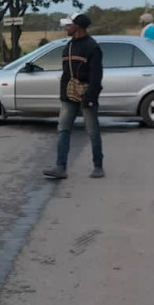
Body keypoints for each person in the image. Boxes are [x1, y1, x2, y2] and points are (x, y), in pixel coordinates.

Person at [44, 13, 104, 180]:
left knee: (92, 131)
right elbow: (66, 74)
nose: (66, 27)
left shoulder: (92, 47)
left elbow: (96, 75)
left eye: (69, 25)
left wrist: (90, 97)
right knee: (63, 130)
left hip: (87, 97)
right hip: (68, 96)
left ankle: (98, 166)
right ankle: (60, 167)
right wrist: (64, 94)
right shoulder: (68, 46)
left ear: (78, 26)